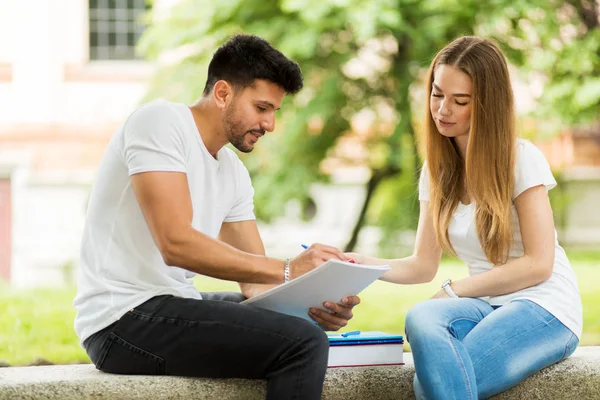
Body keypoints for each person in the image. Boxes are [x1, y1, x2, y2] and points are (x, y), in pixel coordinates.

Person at [73, 34, 360, 400]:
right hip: (120, 320)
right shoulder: (159, 122)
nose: (270, 124)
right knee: (302, 343)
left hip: (172, 303)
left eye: (274, 111)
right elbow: (175, 244)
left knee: (299, 326)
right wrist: (290, 268)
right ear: (223, 93)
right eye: (261, 108)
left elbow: (256, 283)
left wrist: (314, 304)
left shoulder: (232, 171)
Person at [347, 36, 582, 399]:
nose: (442, 110)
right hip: (485, 305)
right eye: (437, 94)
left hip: (544, 306)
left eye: (460, 101)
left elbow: (539, 264)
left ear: (487, 105)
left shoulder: (521, 159)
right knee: (421, 317)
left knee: (428, 387)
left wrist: (453, 290)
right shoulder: (436, 171)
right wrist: (360, 264)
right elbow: (422, 265)